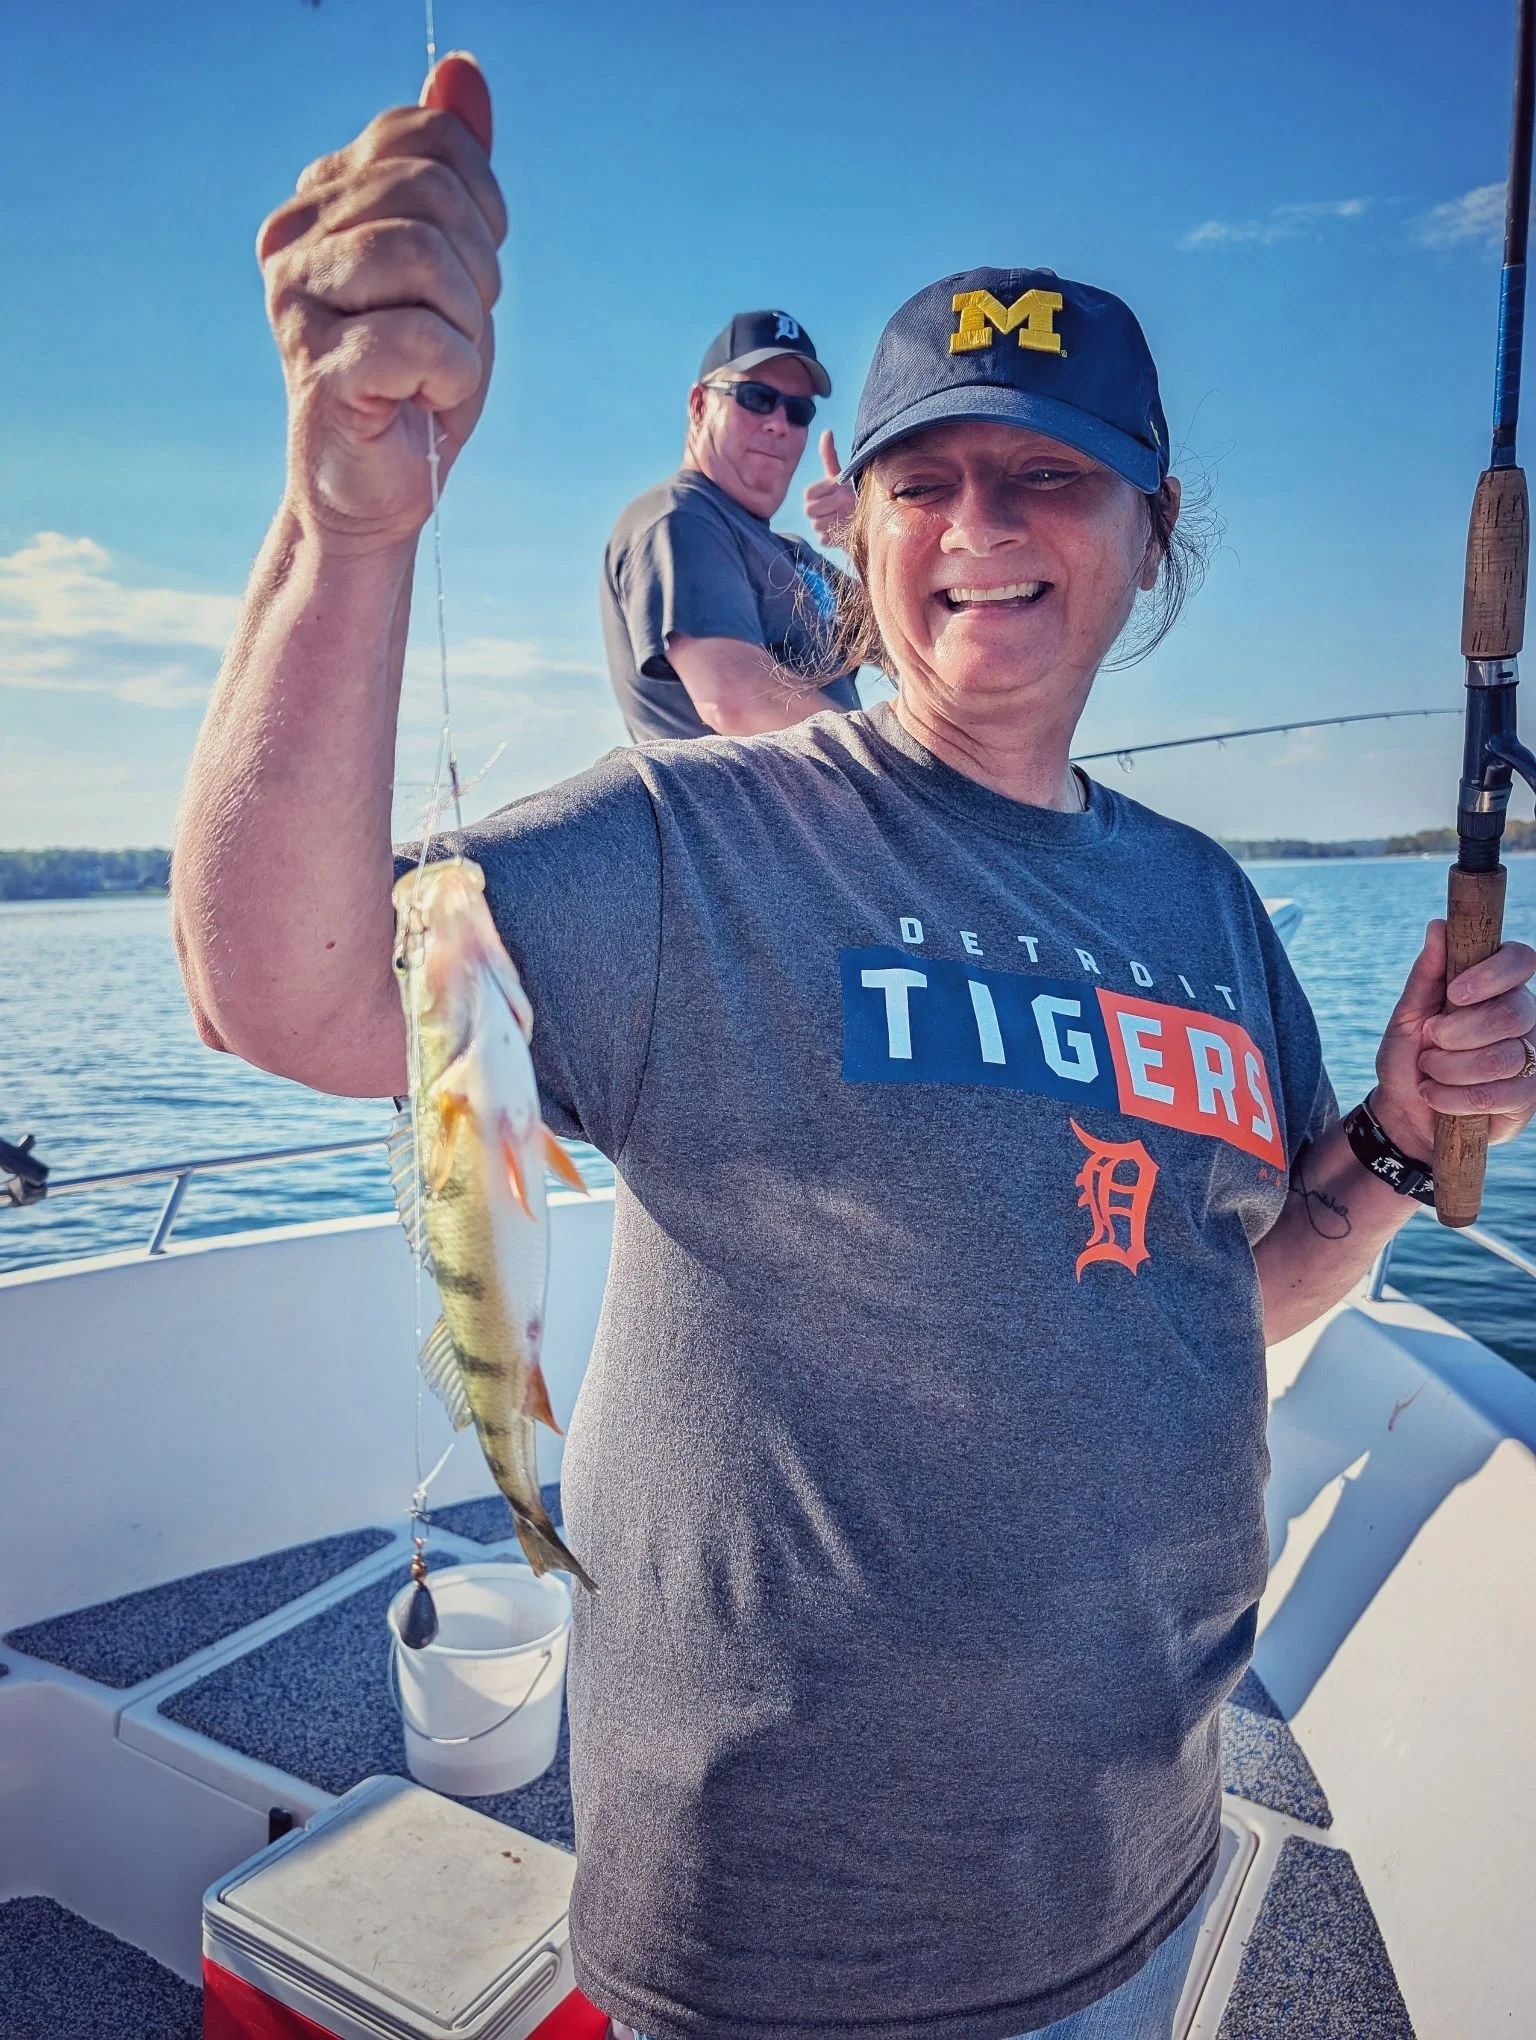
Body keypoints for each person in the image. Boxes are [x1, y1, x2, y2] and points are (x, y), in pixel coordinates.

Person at [173, 57, 1536, 2040]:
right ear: (851, 525)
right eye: (923, 476)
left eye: (1051, 472)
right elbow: (280, 987)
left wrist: (1399, 1143)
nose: (981, 519)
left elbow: (1209, 1296)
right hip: (781, 1948)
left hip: (1142, 1865)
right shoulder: (698, 841)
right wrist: (342, 527)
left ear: (1152, 539)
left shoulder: (1209, 906)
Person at [600, 309, 862, 740]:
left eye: (798, 411)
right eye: (756, 398)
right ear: (699, 406)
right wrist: (897, 769)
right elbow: (734, 700)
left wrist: (869, 533)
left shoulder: (795, 555)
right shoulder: (680, 518)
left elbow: (906, 644)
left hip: (835, 800)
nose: (778, 422)